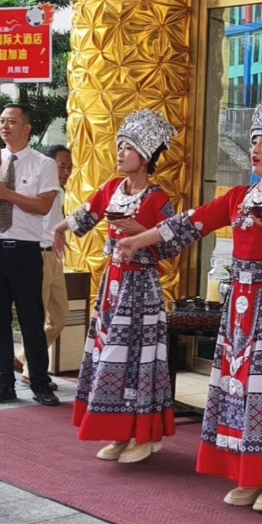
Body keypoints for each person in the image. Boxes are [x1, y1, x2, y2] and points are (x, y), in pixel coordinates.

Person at [118, 96, 262, 511]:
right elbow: (187, 223)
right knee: (242, 388)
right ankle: (251, 472)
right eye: (253, 141)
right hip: (242, 307)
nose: (255, 149)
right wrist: (136, 240)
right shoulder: (238, 198)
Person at [54, 110, 177, 463]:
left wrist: (139, 231)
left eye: (127, 148)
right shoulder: (111, 188)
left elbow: (171, 246)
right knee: (112, 357)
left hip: (142, 286)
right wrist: (58, 229)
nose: (120, 153)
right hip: (114, 284)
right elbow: (85, 214)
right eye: (119, 146)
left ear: (146, 155)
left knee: (140, 360)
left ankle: (146, 434)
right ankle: (119, 431)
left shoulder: (158, 199)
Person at [0, 103, 60, 407]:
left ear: (27, 128)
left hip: (24, 251)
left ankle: (40, 383)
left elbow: (44, 205)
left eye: (12, 122)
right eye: (2, 121)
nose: (5, 126)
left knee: (32, 320)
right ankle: (3, 382)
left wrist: (8, 195)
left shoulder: (43, 164)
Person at [14, 145, 72, 388]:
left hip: (54, 257)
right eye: (62, 166)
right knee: (37, 317)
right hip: (37, 256)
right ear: (48, 166)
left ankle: (21, 357)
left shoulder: (60, 192)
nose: (67, 171)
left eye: (70, 167)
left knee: (60, 316)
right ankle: (31, 371)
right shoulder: (41, 191)